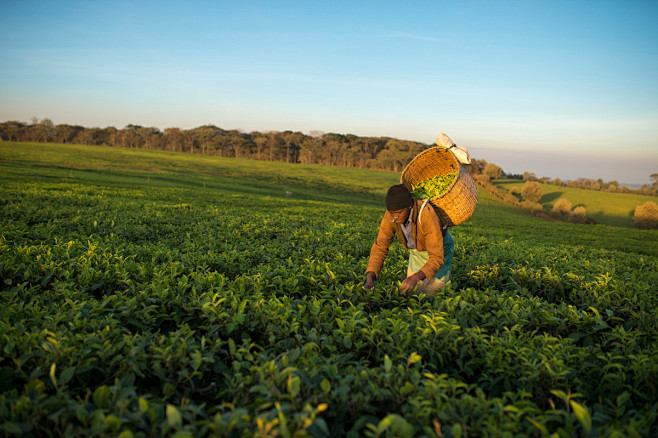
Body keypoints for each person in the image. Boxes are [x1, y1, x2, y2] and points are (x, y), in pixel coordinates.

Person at [364, 184, 454, 295]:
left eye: (399, 213)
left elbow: (437, 257)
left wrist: (416, 277)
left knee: (433, 291)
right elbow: (380, 245)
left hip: (439, 248)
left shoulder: (426, 215)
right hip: (417, 248)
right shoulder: (391, 215)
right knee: (413, 292)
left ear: (410, 206)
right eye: (392, 213)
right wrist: (371, 274)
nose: (395, 217)